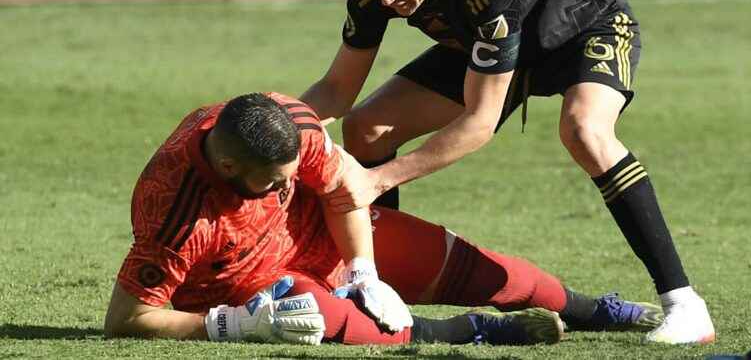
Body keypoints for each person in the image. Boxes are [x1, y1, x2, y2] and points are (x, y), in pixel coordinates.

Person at [299, 0, 714, 345]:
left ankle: (684, 304)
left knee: (584, 131)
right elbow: (336, 89)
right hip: (487, 48)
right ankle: (376, 287)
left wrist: (377, 181)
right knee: (367, 129)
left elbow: (479, 121)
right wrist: (281, 121)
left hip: (579, 32)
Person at [103, 92, 663, 345]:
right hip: (251, 282)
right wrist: (229, 325)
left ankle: (597, 310)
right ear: (227, 167)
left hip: (323, 234)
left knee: (479, 268)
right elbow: (127, 318)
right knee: (316, 317)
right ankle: (465, 333)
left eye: (290, 176)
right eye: (273, 183)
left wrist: (362, 271)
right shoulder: (174, 209)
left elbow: (343, 192)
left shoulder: (289, 126)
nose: (284, 187)